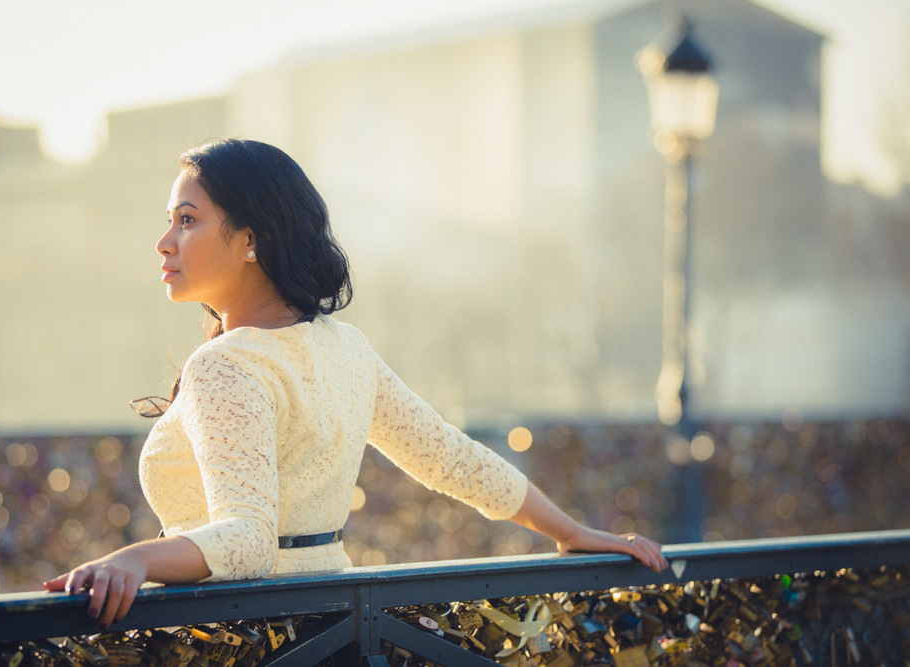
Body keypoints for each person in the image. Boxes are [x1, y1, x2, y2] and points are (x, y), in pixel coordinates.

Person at [44, 139, 667, 630]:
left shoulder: (226, 364)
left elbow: (250, 541)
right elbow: (452, 460)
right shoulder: (346, 347)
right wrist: (570, 532)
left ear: (251, 241)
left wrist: (133, 559)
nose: (164, 242)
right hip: (333, 627)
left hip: (243, 640)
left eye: (187, 220)